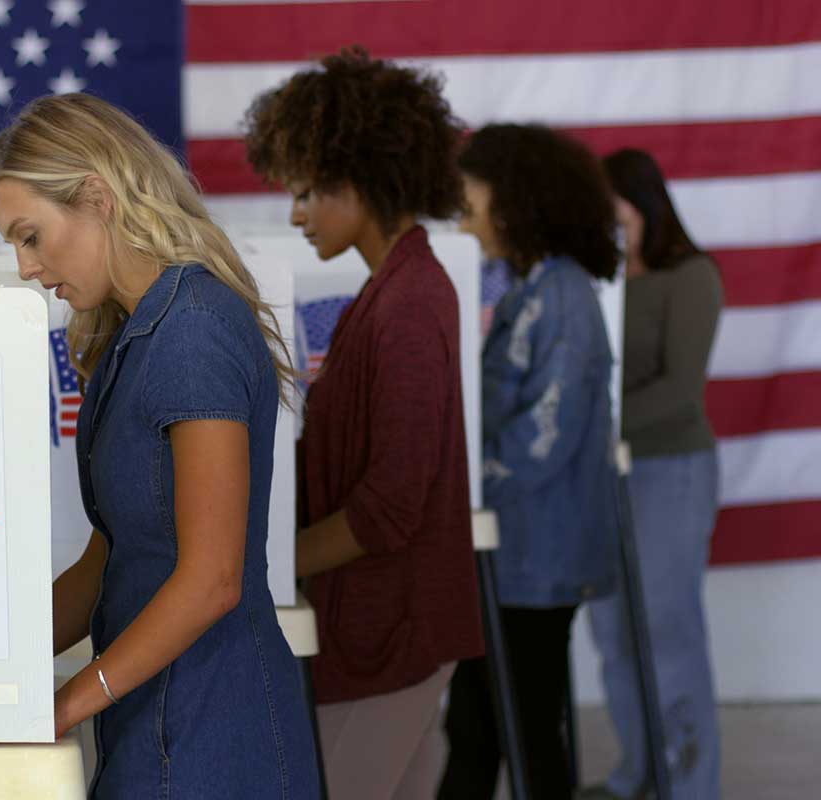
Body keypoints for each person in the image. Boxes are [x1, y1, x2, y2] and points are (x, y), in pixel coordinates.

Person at [0, 93, 320, 799]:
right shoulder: (135, 335)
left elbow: (212, 579)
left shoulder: (192, 330)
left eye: (31, 235)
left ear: (97, 196)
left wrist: (66, 704)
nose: (26, 267)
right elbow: (109, 561)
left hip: (217, 732)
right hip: (152, 722)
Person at [244, 49, 484, 800]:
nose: (295, 212)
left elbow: (390, 506)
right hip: (387, 622)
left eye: (311, 190)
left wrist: (267, 571)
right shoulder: (391, 292)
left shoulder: (407, 304)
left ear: (363, 181)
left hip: (396, 624)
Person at [438, 124, 621, 800]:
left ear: (515, 203)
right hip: (512, 554)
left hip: (534, 558)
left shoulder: (563, 298)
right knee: (483, 726)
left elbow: (543, 439)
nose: (464, 219)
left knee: (522, 731)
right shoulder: (529, 290)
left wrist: (452, 484)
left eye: (471, 203)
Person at [579, 148, 725, 800]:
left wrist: (591, 427)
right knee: (613, 636)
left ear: (644, 203)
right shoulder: (592, 279)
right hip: (602, 478)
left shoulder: (691, 276)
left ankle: (690, 785)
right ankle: (641, 773)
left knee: (668, 631)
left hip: (670, 471)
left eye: (615, 207)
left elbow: (681, 391)